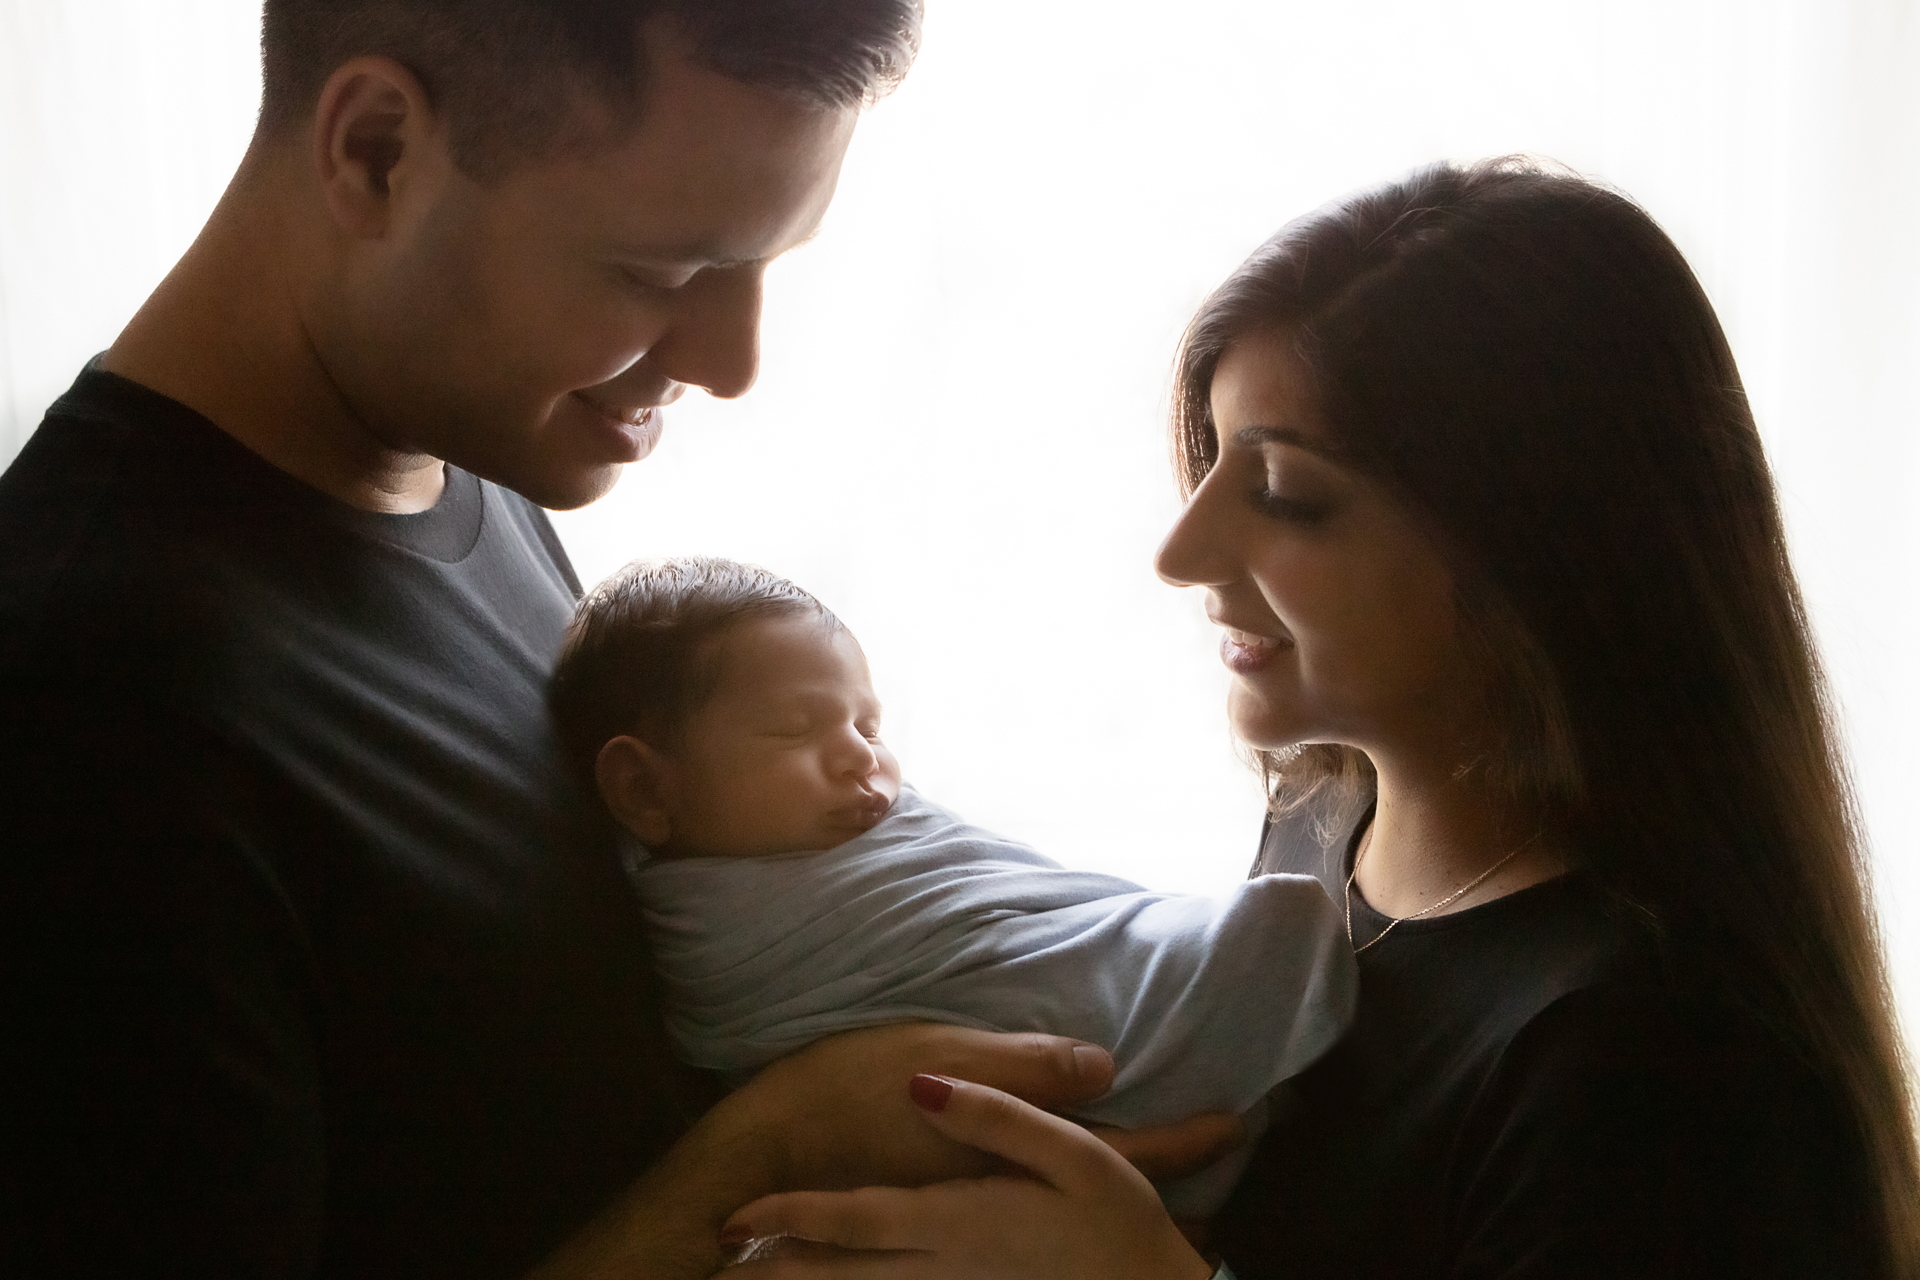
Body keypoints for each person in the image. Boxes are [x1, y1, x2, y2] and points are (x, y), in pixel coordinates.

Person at [0, 3, 1240, 1276]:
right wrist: (767, 1152)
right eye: (663, 272)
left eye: (768, 264)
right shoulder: (82, 714)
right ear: (376, 151)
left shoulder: (463, 468)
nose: (735, 361)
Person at [719, 159, 1920, 1278]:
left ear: (1537, 549)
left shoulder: (1664, 1070)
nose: (1183, 550)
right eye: (1208, 470)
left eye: (1286, 494)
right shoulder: (1328, 822)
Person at [546, 555, 1356, 1217]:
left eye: (868, 725)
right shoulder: (711, 929)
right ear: (647, 793)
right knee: (1275, 936)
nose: (863, 757)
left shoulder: (877, 829)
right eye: (795, 730)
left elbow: (1012, 901)